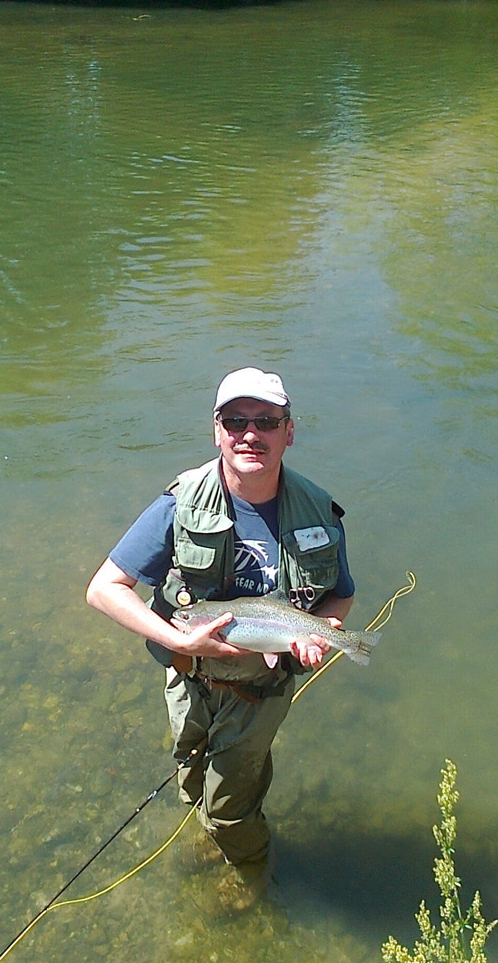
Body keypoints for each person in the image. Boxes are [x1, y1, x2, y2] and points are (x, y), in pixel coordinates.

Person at [86, 367, 356, 897]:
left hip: (262, 690)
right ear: (217, 431)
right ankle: (222, 825)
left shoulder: (320, 511)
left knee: (230, 808)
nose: (250, 434)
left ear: (289, 431)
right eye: (236, 421)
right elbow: (104, 589)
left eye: (266, 422)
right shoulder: (179, 504)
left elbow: (339, 593)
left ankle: (253, 874)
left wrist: (326, 631)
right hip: (188, 679)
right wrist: (180, 641)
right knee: (190, 782)